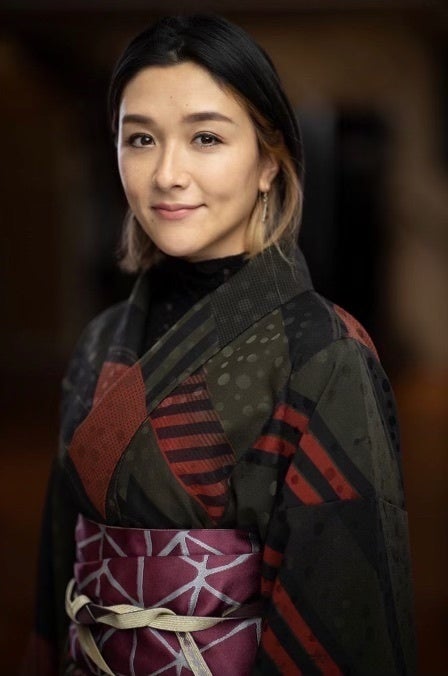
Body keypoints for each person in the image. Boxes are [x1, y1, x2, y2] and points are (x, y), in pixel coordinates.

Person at [25, 13, 415, 676]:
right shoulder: (100, 340)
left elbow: (340, 613)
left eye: (205, 137)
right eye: (141, 138)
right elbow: (55, 573)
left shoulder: (322, 352)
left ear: (269, 162)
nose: (166, 173)